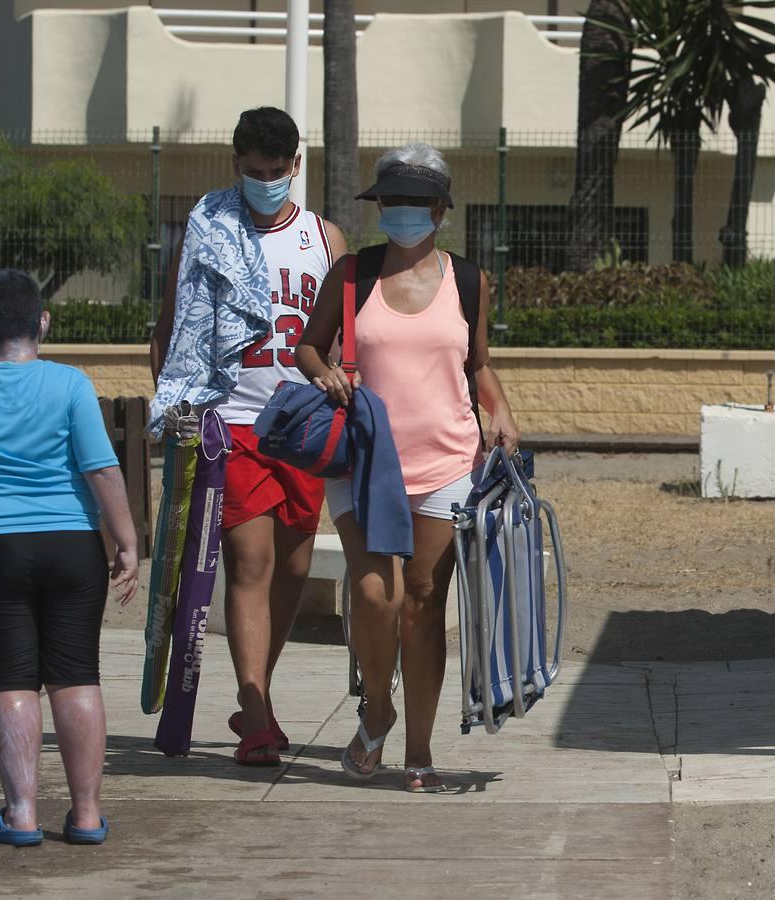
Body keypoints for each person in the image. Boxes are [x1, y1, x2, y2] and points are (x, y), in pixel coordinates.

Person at [296, 143, 520, 792]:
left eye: (415, 203)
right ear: (378, 207)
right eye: (391, 202)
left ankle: (417, 751)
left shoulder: (469, 281)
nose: (402, 214)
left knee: (423, 605)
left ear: (441, 210)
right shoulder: (350, 274)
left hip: (448, 460)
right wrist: (326, 371)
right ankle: (377, 706)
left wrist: (500, 410)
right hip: (364, 459)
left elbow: (476, 365)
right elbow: (308, 347)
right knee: (373, 595)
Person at [0, 269, 139, 846]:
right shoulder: (69, 384)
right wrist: (126, 541)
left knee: (12, 680)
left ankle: (20, 815)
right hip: (71, 544)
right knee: (76, 677)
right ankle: (87, 815)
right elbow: (102, 469)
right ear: (43, 322)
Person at [151, 107, 346, 765]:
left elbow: (344, 335)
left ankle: (255, 694)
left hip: (302, 424)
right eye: (253, 171)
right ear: (236, 164)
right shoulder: (209, 231)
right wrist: (180, 410)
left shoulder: (324, 239)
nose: (265, 182)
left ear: (296, 165)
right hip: (229, 424)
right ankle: (258, 711)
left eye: (276, 172)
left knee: (292, 568)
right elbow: (170, 329)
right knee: (251, 565)